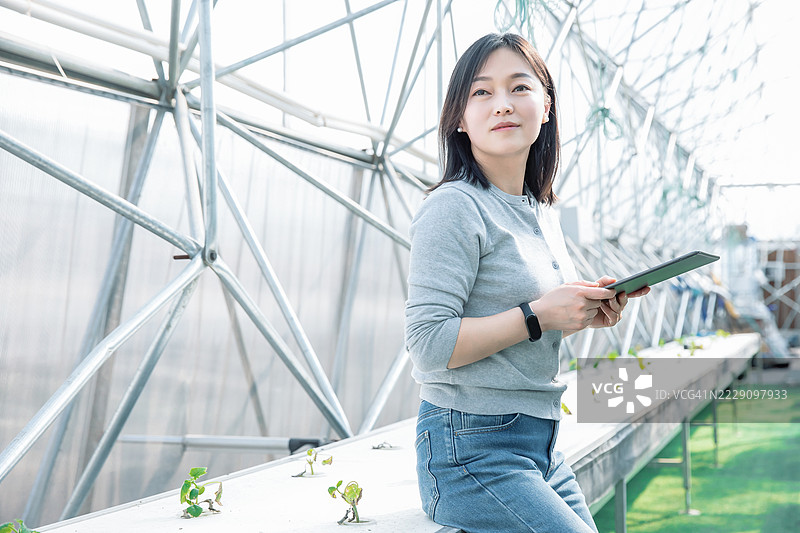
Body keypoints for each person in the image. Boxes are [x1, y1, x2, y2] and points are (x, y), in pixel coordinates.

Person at [404, 33, 650, 533]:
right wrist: (540, 315)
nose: (503, 105)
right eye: (481, 93)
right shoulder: (454, 206)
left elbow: (522, 321)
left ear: (546, 105)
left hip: (539, 445)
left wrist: (579, 311)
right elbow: (427, 346)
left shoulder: (540, 213)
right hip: (469, 449)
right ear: (458, 117)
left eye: (519, 88)